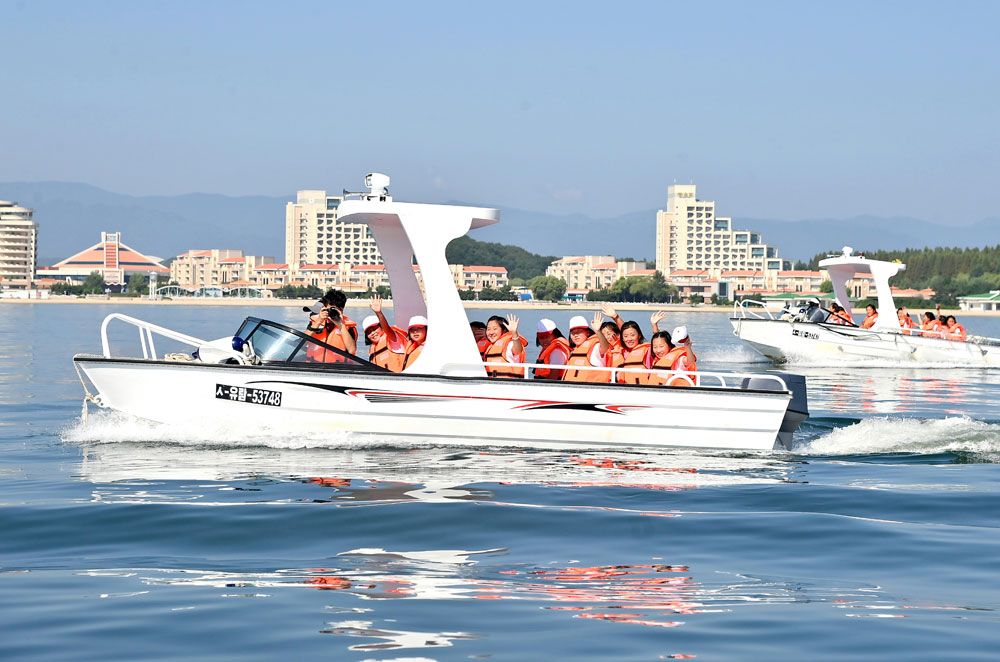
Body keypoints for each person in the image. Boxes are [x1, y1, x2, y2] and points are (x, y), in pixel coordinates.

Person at [305, 289, 358, 362]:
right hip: (314, 366)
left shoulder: (349, 328)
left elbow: (352, 350)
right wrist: (319, 321)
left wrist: (340, 325)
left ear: (341, 310)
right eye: (328, 309)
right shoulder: (315, 323)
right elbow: (302, 342)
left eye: (333, 310)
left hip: (336, 369)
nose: (330, 312)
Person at [563, 313, 611, 383]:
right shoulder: (574, 351)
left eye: (579, 332)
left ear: (587, 333)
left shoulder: (595, 347)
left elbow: (605, 347)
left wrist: (598, 331)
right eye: (573, 333)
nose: (575, 335)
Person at [364, 295, 406, 371]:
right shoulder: (372, 350)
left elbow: (387, 329)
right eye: (369, 332)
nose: (373, 333)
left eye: (375, 329)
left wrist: (379, 313)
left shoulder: (392, 339)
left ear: (382, 328)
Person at [616, 320, 652, 385]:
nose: (629, 339)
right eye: (626, 336)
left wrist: (655, 327)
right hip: (621, 389)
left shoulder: (647, 350)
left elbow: (658, 345)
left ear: (639, 335)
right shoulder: (620, 352)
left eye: (632, 335)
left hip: (641, 389)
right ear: (622, 339)